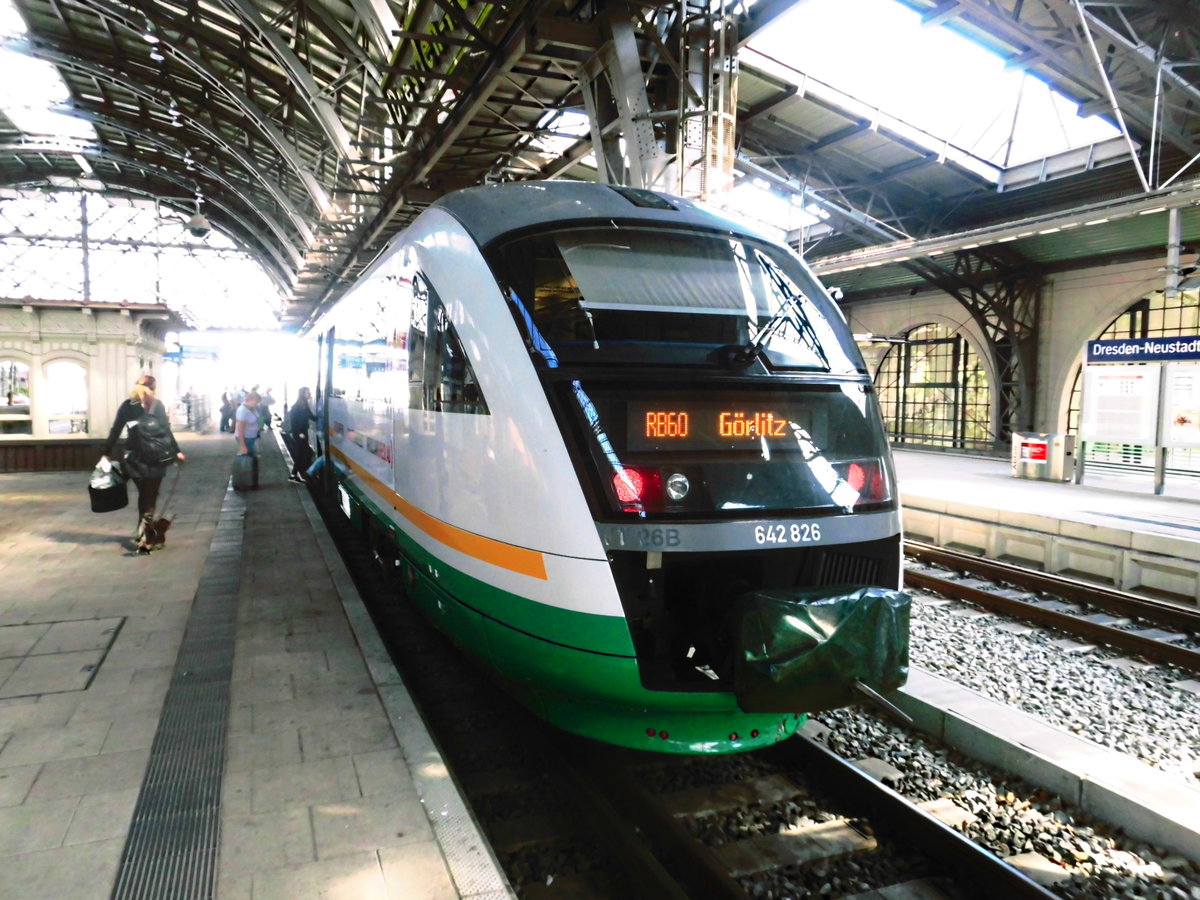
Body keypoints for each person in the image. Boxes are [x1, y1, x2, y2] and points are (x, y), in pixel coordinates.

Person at [102, 374, 185, 553]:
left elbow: (115, 430)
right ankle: (147, 534)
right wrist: (177, 452)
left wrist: (106, 452)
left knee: (143, 495)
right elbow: (166, 431)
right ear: (153, 388)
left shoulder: (126, 406)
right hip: (156, 458)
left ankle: (144, 533)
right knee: (151, 496)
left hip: (134, 457)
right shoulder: (157, 405)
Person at [282, 386, 317, 483]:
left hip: (303, 432)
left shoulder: (304, 405)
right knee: (303, 454)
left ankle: (297, 474)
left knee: (305, 453)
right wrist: (299, 433)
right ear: (303, 394)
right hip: (299, 434)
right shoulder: (297, 407)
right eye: (308, 392)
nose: (309, 394)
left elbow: (313, 417)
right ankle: (296, 474)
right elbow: (294, 422)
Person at [234, 390, 262, 489]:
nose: (257, 404)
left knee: (251, 460)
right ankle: (245, 483)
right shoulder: (243, 410)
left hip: (251, 437)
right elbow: (240, 429)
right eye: (256, 402)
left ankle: (249, 482)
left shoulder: (252, 409)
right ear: (250, 400)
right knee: (247, 461)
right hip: (246, 439)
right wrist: (242, 445)